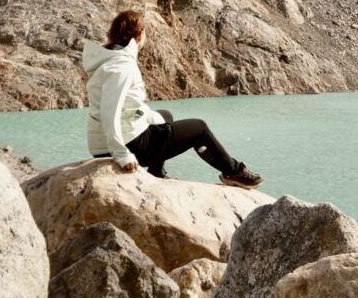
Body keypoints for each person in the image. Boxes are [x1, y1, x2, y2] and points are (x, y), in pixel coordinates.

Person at [83, 9, 263, 188]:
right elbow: (109, 111)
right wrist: (121, 154)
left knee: (164, 116)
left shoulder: (111, 59)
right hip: (124, 146)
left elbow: (121, 109)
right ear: (139, 35)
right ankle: (233, 171)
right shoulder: (122, 66)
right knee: (199, 128)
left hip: (109, 141)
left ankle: (156, 173)